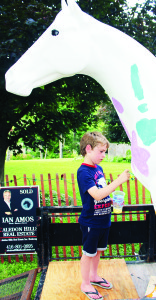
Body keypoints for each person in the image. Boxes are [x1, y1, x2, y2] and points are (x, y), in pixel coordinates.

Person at [77, 132, 130, 300]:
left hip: (103, 219)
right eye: (100, 151)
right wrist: (118, 181)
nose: (103, 155)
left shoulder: (98, 169)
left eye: (105, 151)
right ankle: (85, 283)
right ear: (88, 149)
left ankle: (93, 276)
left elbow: (103, 192)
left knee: (98, 251)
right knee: (88, 253)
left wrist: (112, 198)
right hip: (91, 222)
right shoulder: (84, 172)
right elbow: (97, 195)